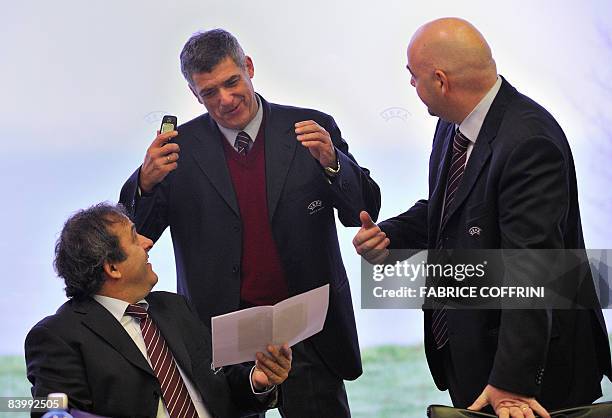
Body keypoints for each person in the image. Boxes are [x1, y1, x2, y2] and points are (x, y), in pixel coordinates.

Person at [353, 17, 612, 418]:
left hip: (533, 371)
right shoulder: (450, 125)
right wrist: (389, 235)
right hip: (470, 353)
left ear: (440, 81)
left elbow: (532, 269)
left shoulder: (529, 142)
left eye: (413, 76)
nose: (411, 85)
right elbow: (449, 208)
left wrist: (511, 383)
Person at [119, 29, 380, 417]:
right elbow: (135, 239)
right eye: (209, 93)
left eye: (231, 82)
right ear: (194, 94)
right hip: (222, 337)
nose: (225, 100)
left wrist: (333, 163)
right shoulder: (178, 150)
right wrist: (143, 183)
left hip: (308, 330)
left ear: (249, 68)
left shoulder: (311, 127)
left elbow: (361, 209)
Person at [25, 203, 292, 418]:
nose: (148, 241)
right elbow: (55, 412)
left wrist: (257, 381)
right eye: (134, 237)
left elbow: (221, 387)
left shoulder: (174, 307)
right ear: (113, 268)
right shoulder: (57, 336)